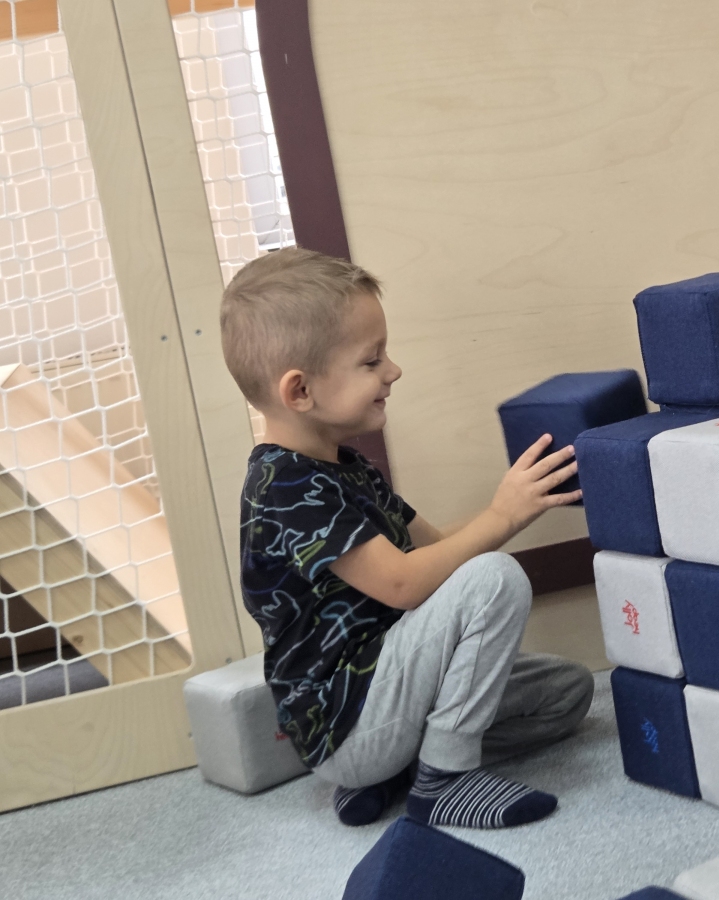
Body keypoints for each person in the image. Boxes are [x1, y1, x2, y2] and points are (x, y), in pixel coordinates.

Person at [220, 247, 594, 828]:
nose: (392, 371)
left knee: (566, 692)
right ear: (300, 391)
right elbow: (404, 585)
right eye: (371, 361)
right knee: (496, 579)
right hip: (350, 724)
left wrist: (518, 504)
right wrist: (501, 517)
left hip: (389, 699)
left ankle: (400, 771)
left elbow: (435, 550)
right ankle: (444, 779)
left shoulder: (345, 467)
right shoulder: (287, 488)